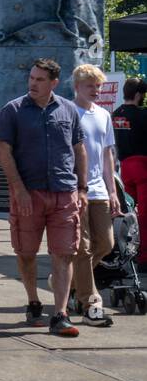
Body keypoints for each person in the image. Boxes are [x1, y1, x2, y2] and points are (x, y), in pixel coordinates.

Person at [0, 58, 87, 337]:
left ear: (54, 83)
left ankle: (59, 314)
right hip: (28, 194)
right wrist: (18, 189)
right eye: (32, 78)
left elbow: (79, 148)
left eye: (40, 79)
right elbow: (3, 151)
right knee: (26, 253)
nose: (33, 83)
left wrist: (82, 188)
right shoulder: (13, 110)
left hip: (64, 192)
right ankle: (33, 301)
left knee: (64, 254)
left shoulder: (69, 110)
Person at [72, 64, 117, 327]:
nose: (96, 90)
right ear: (77, 87)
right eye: (90, 85)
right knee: (83, 247)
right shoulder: (68, 112)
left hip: (99, 189)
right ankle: (91, 302)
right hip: (77, 188)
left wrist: (113, 190)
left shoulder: (103, 115)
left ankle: (70, 284)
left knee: (106, 244)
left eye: (98, 86)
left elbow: (107, 154)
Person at [113, 77, 147, 219]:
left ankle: (127, 240)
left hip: (125, 168)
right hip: (143, 167)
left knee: (128, 210)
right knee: (144, 214)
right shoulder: (143, 114)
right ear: (138, 95)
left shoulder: (115, 114)